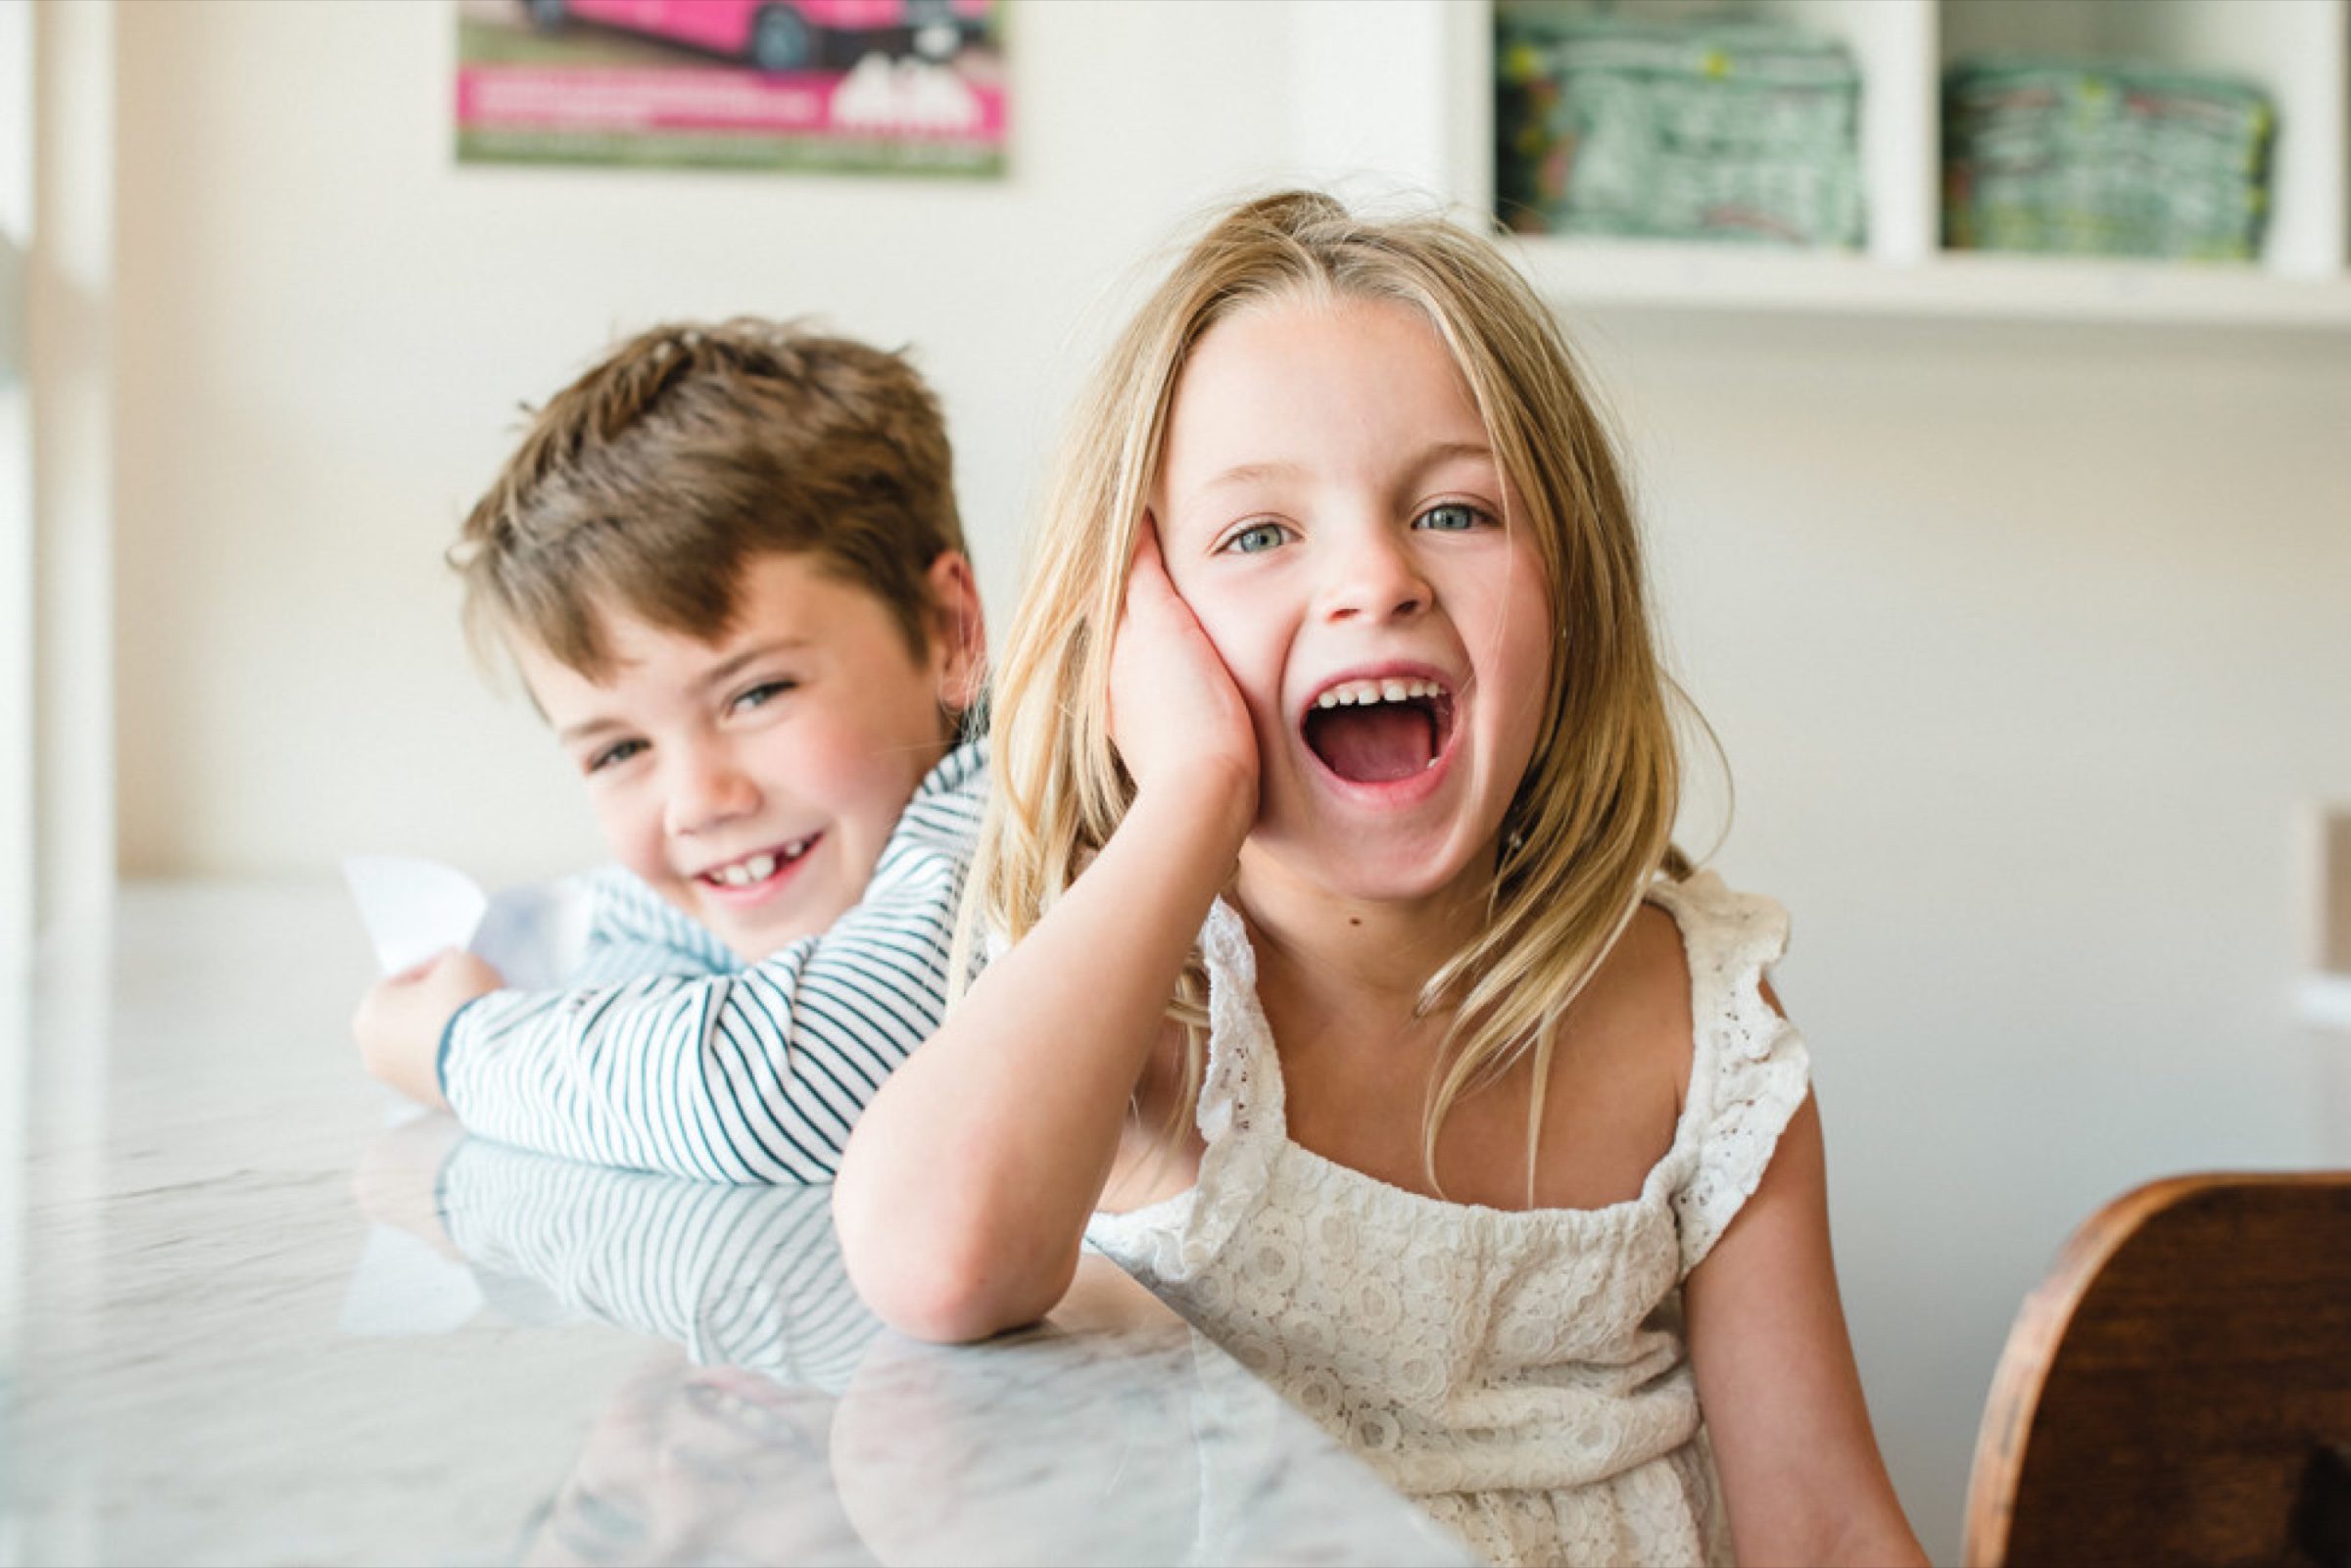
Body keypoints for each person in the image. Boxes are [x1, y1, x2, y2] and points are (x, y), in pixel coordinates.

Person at [833, 192, 1926, 1566]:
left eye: (1456, 509)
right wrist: (1193, 794)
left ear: (1570, 583)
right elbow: (937, 1260)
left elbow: (1821, 1528)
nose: (1376, 578)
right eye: (1258, 535)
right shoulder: (1145, 999)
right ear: (1137, 632)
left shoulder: (1702, 1021)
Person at [353, 318, 986, 1182]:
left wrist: (459, 1045)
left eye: (757, 694)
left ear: (950, 631)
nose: (698, 801)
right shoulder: (818, 848)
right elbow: (606, 929)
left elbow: (779, 1098)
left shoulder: (1003, 831)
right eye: (617, 751)